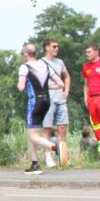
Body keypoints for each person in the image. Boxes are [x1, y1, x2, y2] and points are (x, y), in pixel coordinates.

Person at [17, 43, 62, 175]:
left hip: (34, 102)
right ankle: (35, 163)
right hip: (46, 101)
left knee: (33, 135)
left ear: (26, 54)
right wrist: (47, 88)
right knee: (34, 132)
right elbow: (59, 83)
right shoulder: (45, 65)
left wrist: (22, 85)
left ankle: (54, 146)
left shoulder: (25, 67)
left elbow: (20, 87)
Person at [41, 38, 71, 166]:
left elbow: (67, 76)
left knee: (62, 127)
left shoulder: (60, 62)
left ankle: (63, 158)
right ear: (47, 47)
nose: (56, 48)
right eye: (54, 46)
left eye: (57, 46)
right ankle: (48, 157)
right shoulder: (41, 63)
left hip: (60, 99)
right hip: (48, 100)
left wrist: (66, 90)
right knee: (47, 129)